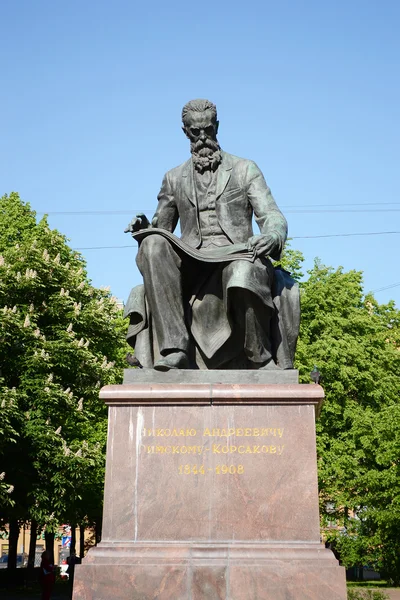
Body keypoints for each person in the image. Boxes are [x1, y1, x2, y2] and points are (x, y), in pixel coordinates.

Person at [125, 99, 299, 370]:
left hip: (238, 253)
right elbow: (163, 227)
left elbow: (272, 215)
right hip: (192, 261)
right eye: (196, 132)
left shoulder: (244, 169)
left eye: (208, 129)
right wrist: (145, 227)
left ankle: (259, 357)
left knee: (241, 273)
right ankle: (174, 349)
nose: (203, 137)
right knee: (152, 244)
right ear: (185, 132)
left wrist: (273, 235)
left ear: (217, 127)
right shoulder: (173, 178)